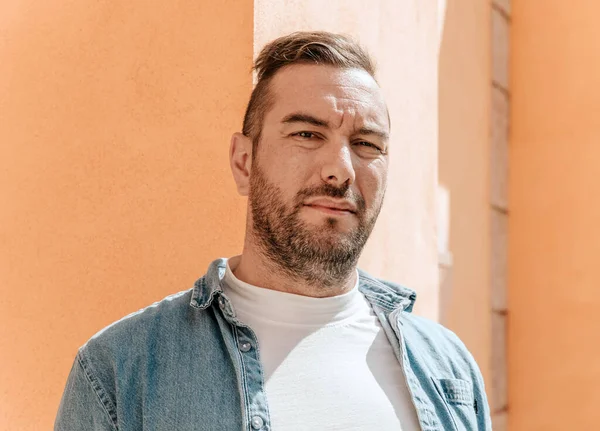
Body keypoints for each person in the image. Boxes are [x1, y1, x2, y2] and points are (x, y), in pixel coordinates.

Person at [55, 31, 492, 431]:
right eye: (306, 133)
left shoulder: (447, 367)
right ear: (244, 162)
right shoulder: (120, 372)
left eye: (366, 144)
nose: (340, 170)